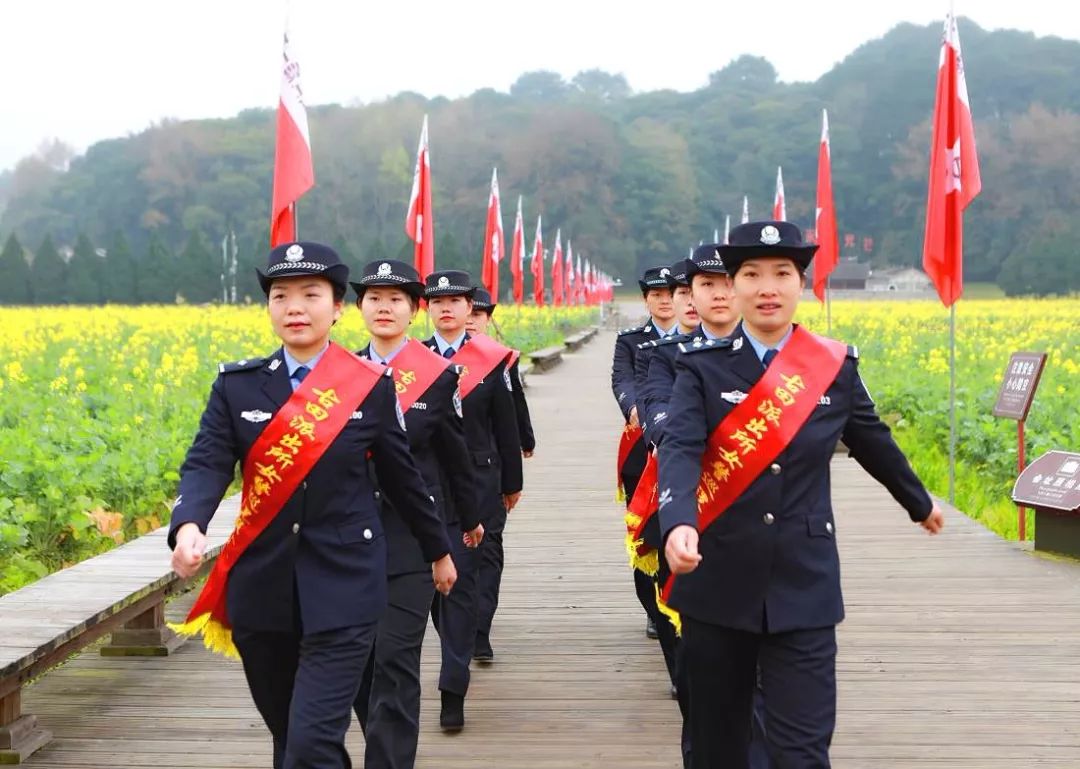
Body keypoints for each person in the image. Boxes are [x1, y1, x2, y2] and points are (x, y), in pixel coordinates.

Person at [659, 221, 945, 768]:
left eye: (782, 274)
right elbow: (681, 448)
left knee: (803, 746)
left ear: (800, 284)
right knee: (719, 748)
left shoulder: (832, 366)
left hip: (804, 581)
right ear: (734, 286)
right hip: (715, 580)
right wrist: (678, 521)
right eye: (752, 275)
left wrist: (919, 501)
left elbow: (871, 438)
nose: (768, 287)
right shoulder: (699, 368)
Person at [168, 241, 456, 769]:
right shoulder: (237, 387)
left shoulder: (366, 386)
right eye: (281, 296)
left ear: (337, 307)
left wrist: (438, 551)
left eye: (310, 294)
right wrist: (189, 523)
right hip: (262, 589)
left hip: (345, 585)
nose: (294, 307)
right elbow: (207, 462)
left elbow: (403, 478)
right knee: (289, 743)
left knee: (309, 743)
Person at [349, 259, 485, 769]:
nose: (384, 308)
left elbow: (456, 458)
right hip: (351, 539)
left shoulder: (436, 377)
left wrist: (468, 522)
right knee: (359, 663)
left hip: (413, 538)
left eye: (396, 300)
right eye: (374, 298)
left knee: (396, 655)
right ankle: (379, 741)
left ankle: (390, 761)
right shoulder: (340, 375)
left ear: (414, 311)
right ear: (359, 307)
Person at [423, 269, 523, 730]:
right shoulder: (413, 361)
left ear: (470, 309)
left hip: (478, 484)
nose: (446, 307)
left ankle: (453, 684)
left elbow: (506, 425)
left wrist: (511, 481)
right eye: (436, 300)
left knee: (466, 580)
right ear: (426, 308)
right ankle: (457, 644)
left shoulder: (491, 359)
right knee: (435, 596)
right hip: (423, 488)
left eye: (456, 301)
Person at [464, 287, 535, 661]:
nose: (472, 319)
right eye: (467, 311)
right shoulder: (428, 357)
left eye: (479, 313)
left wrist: (524, 440)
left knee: (488, 548)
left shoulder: (498, 359)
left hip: (487, 466)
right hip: (443, 474)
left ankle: (480, 630)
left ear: (488, 318)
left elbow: (512, 403)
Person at [611, 265, 678, 640]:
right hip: (643, 448)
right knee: (645, 529)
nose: (665, 300)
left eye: (672, 293)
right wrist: (636, 409)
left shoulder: (700, 336)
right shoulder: (632, 340)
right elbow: (622, 379)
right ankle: (652, 609)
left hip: (689, 451)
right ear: (647, 300)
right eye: (657, 295)